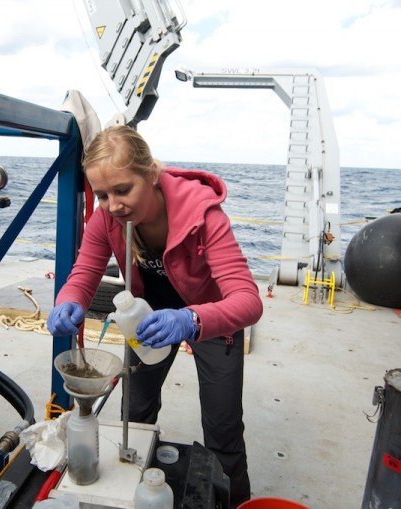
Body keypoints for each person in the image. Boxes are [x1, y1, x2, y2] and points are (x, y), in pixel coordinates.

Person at [47, 125, 263, 507]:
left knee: (223, 427)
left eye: (123, 189)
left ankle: (235, 500)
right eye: (102, 195)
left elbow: (247, 300)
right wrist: (69, 301)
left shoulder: (204, 215)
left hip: (210, 319)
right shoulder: (107, 219)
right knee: (136, 408)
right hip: (145, 321)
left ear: (152, 174)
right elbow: (82, 276)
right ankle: (144, 485)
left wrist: (190, 320)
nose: (113, 205)